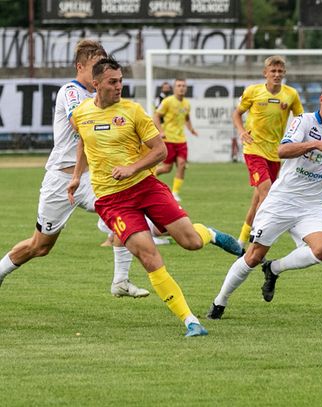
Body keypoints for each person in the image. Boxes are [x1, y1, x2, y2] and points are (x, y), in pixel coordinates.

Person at [67, 57, 242, 337]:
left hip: (146, 187)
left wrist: (132, 167)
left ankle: (210, 234)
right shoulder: (81, 114)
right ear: (96, 84)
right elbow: (83, 142)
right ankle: (190, 321)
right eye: (113, 82)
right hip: (112, 201)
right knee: (149, 257)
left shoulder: (133, 111)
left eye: (121, 80)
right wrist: (77, 176)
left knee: (191, 242)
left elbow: (160, 151)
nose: (119, 86)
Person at [0, 40, 148, 298]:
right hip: (61, 179)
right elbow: (81, 124)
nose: (100, 72)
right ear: (80, 66)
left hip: (92, 179)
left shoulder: (100, 96)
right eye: (95, 66)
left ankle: (121, 281)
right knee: (40, 246)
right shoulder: (71, 91)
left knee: (124, 214)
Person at [207, 80, 322, 319]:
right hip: (282, 202)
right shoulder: (304, 122)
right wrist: (315, 144)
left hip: (311, 207)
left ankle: (274, 268)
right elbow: (282, 151)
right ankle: (219, 302)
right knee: (253, 256)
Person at [232, 55, 304, 249]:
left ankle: (240, 241)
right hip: (254, 149)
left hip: (275, 153)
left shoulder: (291, 94)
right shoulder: (253, 92)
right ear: (265, 73)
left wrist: (297, 142)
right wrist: (241, 131)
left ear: (284, 73)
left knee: (257, 199)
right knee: (267, 192)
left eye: (280, 71)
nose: (277, 74)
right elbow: (237, 113)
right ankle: (259, 234)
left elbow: (300, 119)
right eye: (273, 71)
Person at [153, 78, 198, 202]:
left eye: (183, 85)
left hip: (181, 140)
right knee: (167, 168)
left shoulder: (187, 104)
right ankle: (147, 176)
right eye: (179, 85)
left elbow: (187, 118)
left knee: (182, 165)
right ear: (174, 88)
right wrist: (161, 131)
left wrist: (191, 129)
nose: (181, 88)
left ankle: (175, 193)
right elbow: (156, 116)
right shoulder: (167, 102)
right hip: (168, 139)